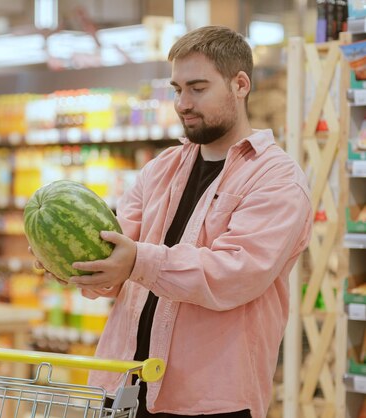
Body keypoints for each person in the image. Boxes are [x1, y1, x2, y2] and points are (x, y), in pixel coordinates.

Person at [32, 25, 312, 418]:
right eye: (177, 89)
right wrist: (75, 264)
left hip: (210, 402)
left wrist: (137, 262)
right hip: (123, 387)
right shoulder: (160, 169)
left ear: (241, 85)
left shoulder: (276, 179)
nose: (182, 103)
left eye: (197, 88)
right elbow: (114, 256)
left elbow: (236, 273)